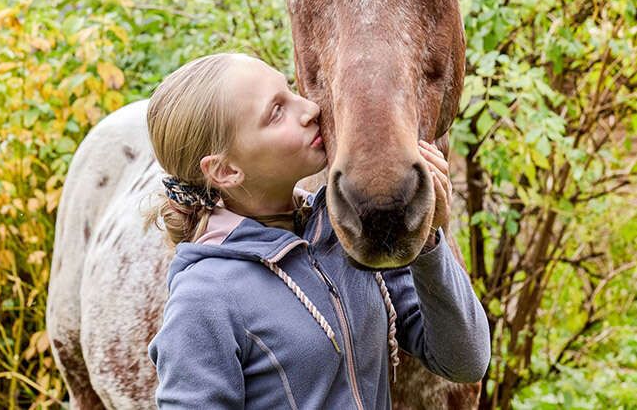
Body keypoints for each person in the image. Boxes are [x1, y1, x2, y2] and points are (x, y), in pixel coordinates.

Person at [144, 51, 490, 409]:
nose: (309, 109)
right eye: (277, 111)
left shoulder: (345, 233)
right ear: (226, 171)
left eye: (290, 90)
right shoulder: (205, 299)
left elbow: (465, 360)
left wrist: (429, 241)